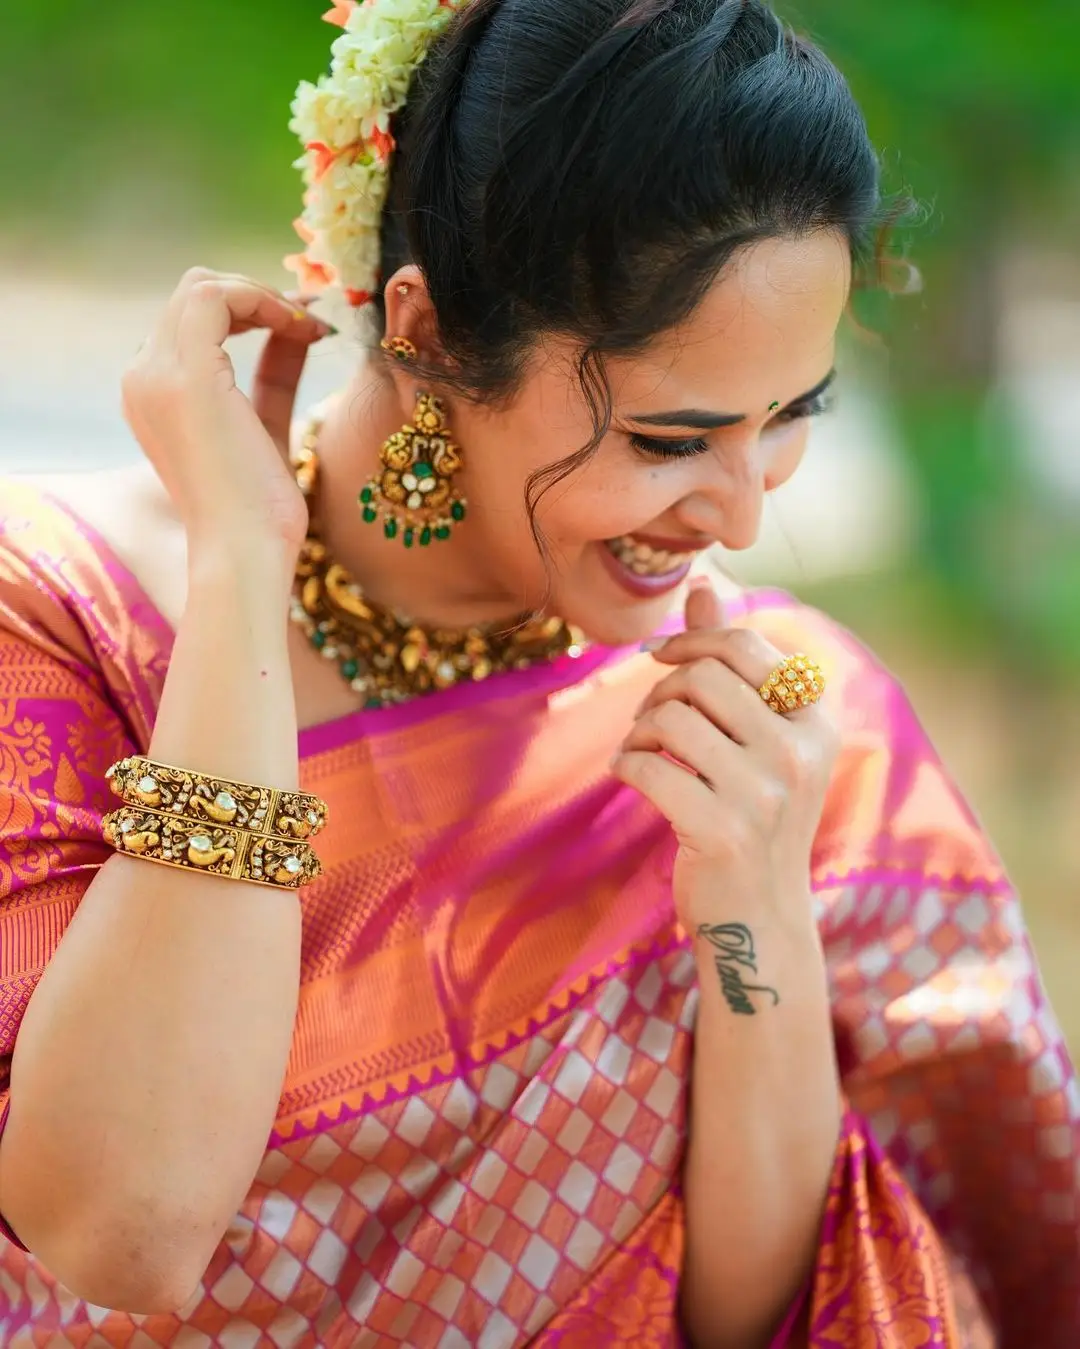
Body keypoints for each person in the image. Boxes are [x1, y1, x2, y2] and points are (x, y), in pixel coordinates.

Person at [0, 0, 1077, 1344]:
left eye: (789, 417)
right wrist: (237, 577)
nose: (740, 516)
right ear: (432, 334)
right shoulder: (66, 619)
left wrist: (754, 902)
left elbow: (758, 1314)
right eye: (674, 438)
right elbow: (121, 1229)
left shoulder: (780, 713)